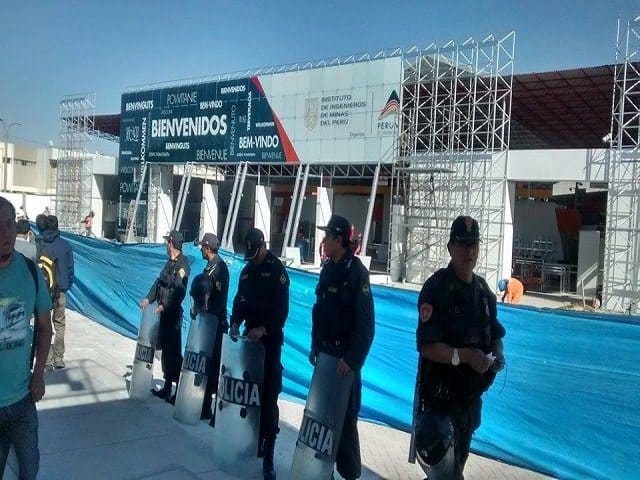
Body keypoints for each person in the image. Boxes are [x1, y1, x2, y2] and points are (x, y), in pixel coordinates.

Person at [415, 215, 506, 480]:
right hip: (440, 403)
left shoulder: (483, 292)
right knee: (445, 473)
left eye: (474, 245)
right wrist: (464, 356)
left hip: (468, 402)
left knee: (452, 471)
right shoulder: (437, 289)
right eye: (463, 244)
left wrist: (497, 355)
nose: (470, 251)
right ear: (450, 248)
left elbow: (495, 335)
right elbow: (427, 346)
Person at [309, 214, 375, 480]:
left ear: (338, 240)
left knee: (345, 423)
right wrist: (315, 344)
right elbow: (319, 312)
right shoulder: (328, 269)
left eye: (327, 236)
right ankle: (323, 472)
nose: (323, 241)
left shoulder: (356, 273)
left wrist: (352, 360)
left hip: (344, 363)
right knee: (322, 418)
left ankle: (349, 475)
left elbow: (366, 325)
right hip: (326, 356)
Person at [0, 196, 53, 480]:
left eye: (9, 224)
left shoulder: (30, 272)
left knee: (29, 469)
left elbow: (45, 327)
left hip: (22, 400)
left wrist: (39, 375)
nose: (5, 233)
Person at [230, 228, 289, 480]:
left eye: (255, 253)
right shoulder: (247, 272)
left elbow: (281, 310)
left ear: (263, 246)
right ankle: (251, 441)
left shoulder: (277, 271)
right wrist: (235, 322)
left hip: (269, 344)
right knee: (249, 395)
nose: (252, 258)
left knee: (268, 399)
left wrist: (265, 329)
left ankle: (269, 454)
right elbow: (240, 301)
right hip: (249, 344)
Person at [141, 230, 190, 402]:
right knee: (166, 354)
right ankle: (167, 387)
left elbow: (179, 291)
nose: (166, 246)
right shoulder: (170, 263)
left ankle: (179, 391)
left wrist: (164, 306)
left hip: (172, 315)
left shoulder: (182, 265)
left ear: (171, 244)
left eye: (167, 243)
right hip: (163, 315)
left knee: (173, 354)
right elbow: (159, 282)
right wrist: (149, 299)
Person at [193, 232, 229, 421]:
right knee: (205, 366)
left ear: (207, 248)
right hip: (207, 324)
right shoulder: (209, 267)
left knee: (214, 369)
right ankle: (204, 406)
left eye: (202, 247)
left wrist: (206, 313)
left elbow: (218, 301)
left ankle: (213, 411)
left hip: (215, 325)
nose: (201, 249)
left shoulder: (220, 269)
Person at [40, 215, 74, 370]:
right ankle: (59, 358)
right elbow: (70, 269)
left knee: (45, 325)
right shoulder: (65, 245)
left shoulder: (40, 244)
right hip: (60, 291)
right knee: (60, 324)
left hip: (44, 291)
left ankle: (47, 360)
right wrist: (67, 285)